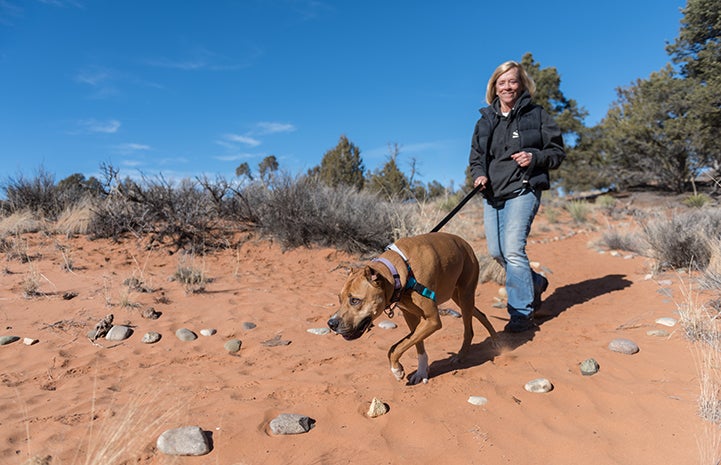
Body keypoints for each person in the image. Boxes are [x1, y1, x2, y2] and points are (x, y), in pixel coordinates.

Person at [468, 60, 566, 333]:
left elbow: (557, 152)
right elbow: (476, 158)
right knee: (496, 252)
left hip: (524, 188)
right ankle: (534, 283)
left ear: (521, 84)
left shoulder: (536, 115)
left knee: (512, 249)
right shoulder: (485, 120)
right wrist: (479, 175)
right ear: (494, 87)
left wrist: (534, 157)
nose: (508, 86)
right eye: (502, 82)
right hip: (492, 193)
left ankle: (522, 314)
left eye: (513, 81)